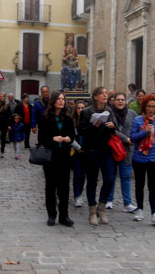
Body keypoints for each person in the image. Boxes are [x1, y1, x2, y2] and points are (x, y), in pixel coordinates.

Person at [38, 91, 75, 227]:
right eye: (59, 99)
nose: (61, 101)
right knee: (51, 187)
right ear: (53, 101)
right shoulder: (45, 118)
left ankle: (64, 216)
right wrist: (53, 139)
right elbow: (41, 139)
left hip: (64, 157)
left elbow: (72, 135)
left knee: (64, 188)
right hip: (50, 158)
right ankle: (51, 215)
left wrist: (68, 138)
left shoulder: (68, 118)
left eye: (63, 99)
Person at [79, 86, 115, 226]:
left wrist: (112, 126)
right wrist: (93, 126)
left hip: (106, 150)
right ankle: (92, 211)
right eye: (102, 93)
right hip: (92, 150)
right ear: (95, 97)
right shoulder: (87, 112)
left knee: (110, 179)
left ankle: (102, 208)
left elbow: (115, 131)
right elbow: (82, 131)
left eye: (106, 93)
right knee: (92, 180)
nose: (105, 95)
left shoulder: (109, 110)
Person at [130, 94, 155, 225]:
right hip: (139, 158)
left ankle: (154, 213)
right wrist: (144, 132)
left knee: (153, 186)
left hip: (154, 158)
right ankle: (139, 209)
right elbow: (133, 138)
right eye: (149, 106)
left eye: (154, 107)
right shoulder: (137, 121)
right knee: (139, 185)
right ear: (144, 107)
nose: (151, 109)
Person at [107, 92, 137, 212]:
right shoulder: (109, 114)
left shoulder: (132, 114)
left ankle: (127, 203)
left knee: (125, 176)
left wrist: (135, 138)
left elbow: (137, 127)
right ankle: (109, 200)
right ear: (113, 101)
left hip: (127, 151)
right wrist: (126, 139)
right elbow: (111, 130)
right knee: (111, 176)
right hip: (113, 149)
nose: (120, 102)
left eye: (122, 100)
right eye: (118, 99)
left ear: (126, 102)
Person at [71, 100, 87, 207]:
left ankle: (80, 194)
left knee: (83, 175)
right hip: (75, 152)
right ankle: (76, 195)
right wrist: (78, 147)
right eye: (79, 108)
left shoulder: (88, 121)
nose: (81, 110)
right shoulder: (72, 122)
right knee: (77, 173)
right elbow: (71, 137)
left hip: (86, 152)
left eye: (82, 108)